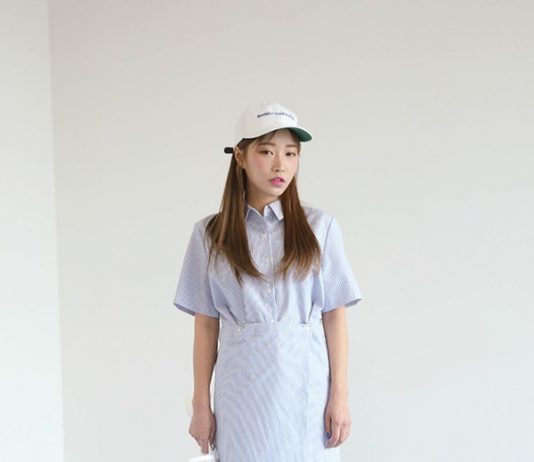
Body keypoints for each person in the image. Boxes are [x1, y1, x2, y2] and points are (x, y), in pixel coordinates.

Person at [173, 101, 363, 462]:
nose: (281, 165)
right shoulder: (209, 235)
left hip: (306, 398)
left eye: (291, 153)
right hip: (240, 400)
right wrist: (201, 404)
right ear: (240, 157)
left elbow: (334, 317)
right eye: (266, 151)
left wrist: (340, 396)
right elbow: (206, 324)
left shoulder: (320, 228)